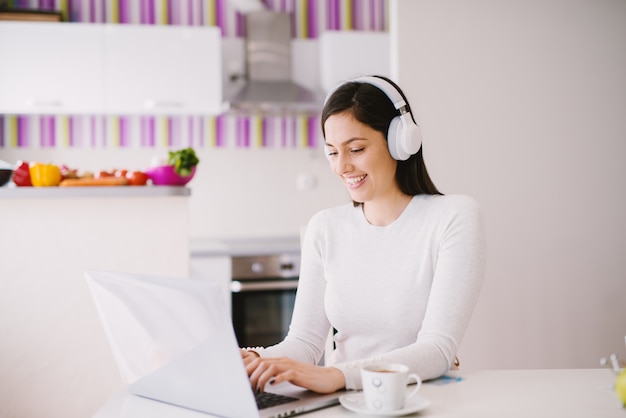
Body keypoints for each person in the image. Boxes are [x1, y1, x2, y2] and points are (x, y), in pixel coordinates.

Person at [241, 75, 486, 395]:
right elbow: (303, 344)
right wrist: (253, 359)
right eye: (332, 152)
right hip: (341, 402)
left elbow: (437, 350)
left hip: (417, 399)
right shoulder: (325, 227)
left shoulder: (453, 217)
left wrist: (338, 376)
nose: (342, 166)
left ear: (401, 141)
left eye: (355, 149)